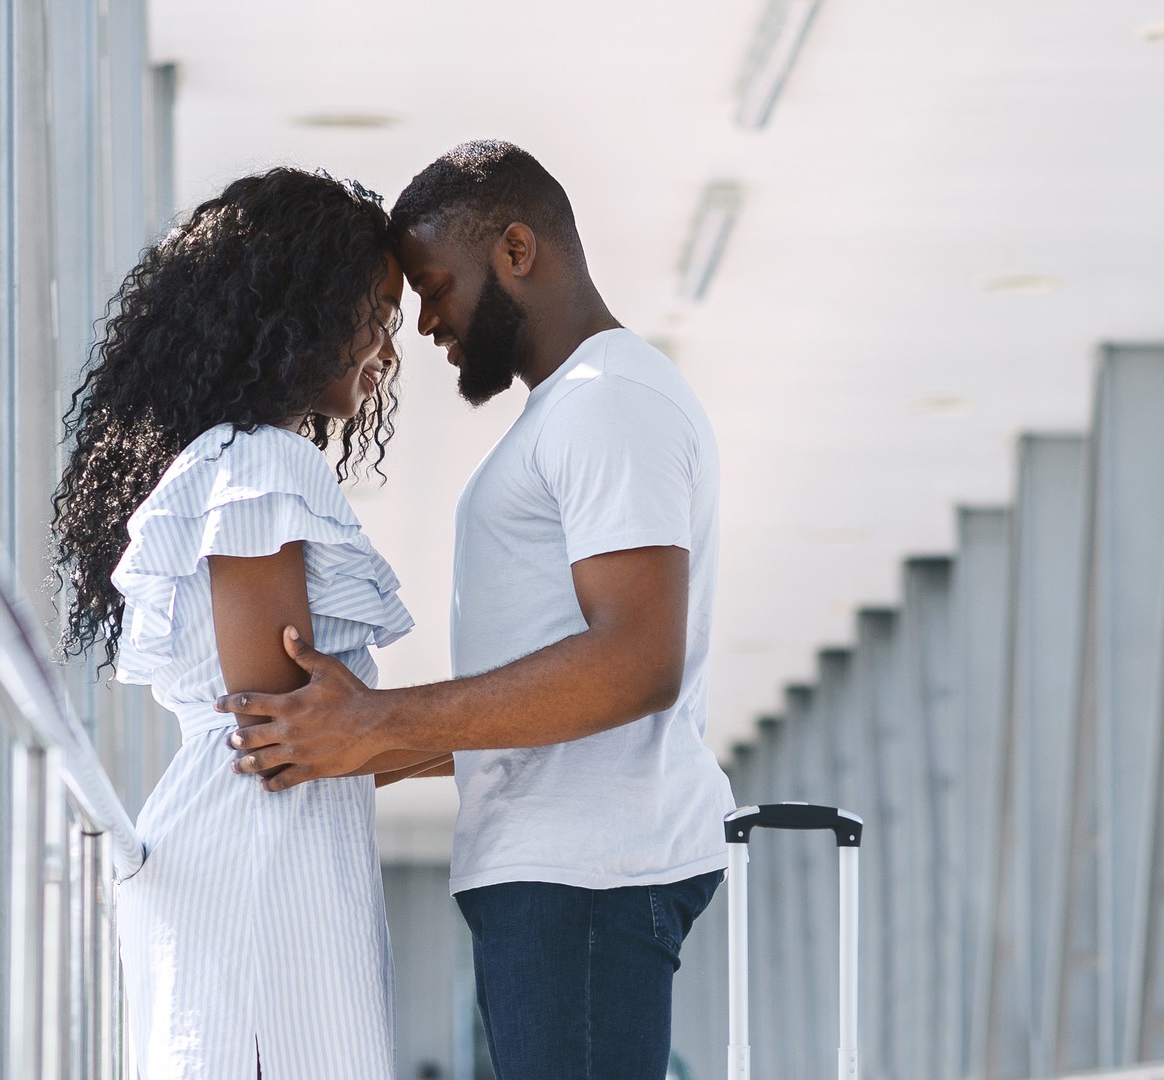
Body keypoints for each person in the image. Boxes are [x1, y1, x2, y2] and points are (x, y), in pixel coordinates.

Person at [218, 140, 737, 1079]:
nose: (422, 323)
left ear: (515, 251)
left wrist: (379, 721)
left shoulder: (609, 401)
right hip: (558, 875)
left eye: (432, 285)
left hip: (586, 877)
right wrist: (361, 749)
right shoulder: (573, 410)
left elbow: (636, 663)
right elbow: (544, 696)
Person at [51, 167, 427, 1079]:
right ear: (303, 305)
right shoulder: (264, 464)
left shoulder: (224, 460)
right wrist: (519, 731)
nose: (387, 344)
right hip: (264, 864)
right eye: (375, 310)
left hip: (251, 850)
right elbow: (287, 731)